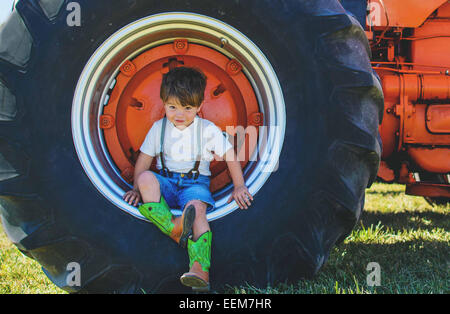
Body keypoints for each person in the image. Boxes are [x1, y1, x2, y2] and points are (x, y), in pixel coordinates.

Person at [122, 66, 253, 291]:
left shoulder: (207, 130)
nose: (179, 114)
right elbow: (144, 159)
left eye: (188, 108)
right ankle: (174, 227)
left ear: (200, 106)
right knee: (144, 178)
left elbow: (230, 155)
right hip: (166, 182)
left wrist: (239, 186)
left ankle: (200, 270)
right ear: (163, 103)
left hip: (195, 184)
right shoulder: (158, 128)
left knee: (196, 209)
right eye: (172, 107)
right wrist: (136, 189)